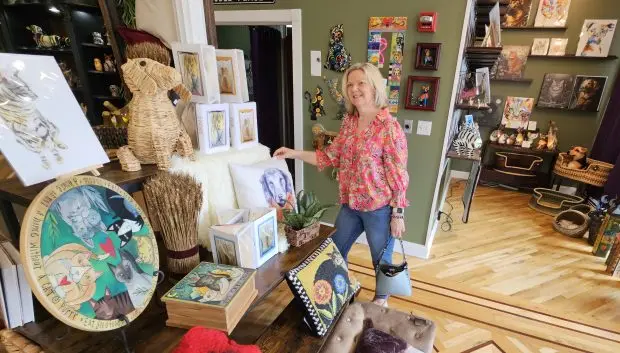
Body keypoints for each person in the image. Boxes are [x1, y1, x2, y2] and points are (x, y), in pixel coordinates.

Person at [274, 62, 409, 307]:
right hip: (351, 205)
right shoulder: (349, 122)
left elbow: (398, 175)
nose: (354, 89)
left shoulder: (390, 128)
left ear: (374, 86)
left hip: (378, 208)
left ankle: (381, 302)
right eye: (349, 84)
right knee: (334, 251)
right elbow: (329, 156)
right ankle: (340, 292)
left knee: (382, 260)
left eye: (360, 83)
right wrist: (293, 153)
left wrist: (397, 213)